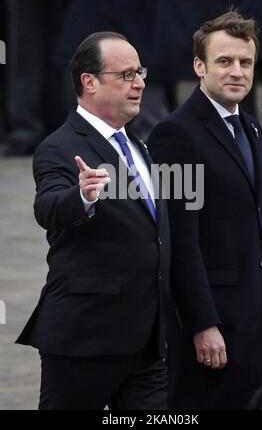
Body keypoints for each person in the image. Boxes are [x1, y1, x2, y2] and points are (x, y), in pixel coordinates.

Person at [148, 11, 262, 409]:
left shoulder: (252, 128)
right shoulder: (175, 135)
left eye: (245, 62)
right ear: (200, 66)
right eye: (224, 61)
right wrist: (202, 324)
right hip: (217, 328)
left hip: (260, 318)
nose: (237, 72)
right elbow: (179, 240)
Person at [16, 31, 170, 410]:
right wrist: (81, 196)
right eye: (127, 75)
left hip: (148, 342)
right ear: (90, 82)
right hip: (85, 339)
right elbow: (48, 207)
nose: (141, 83)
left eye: (141, 72)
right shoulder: (60, 146)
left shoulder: (138, 145)